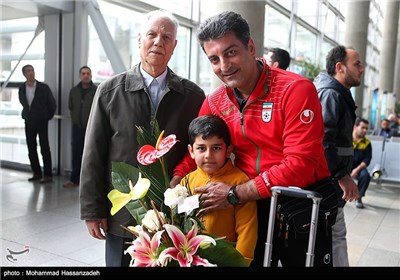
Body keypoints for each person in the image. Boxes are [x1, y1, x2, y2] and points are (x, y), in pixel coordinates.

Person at [172, 11, 336, 267]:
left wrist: (237, 193)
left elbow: (301, 163)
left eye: (231, 52)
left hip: (299, 206)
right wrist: (175, 184)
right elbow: (195, 149)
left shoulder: (295, 89)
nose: (224, 66)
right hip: (250, 204)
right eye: (214, 59)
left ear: (250, 47)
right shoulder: (214, 101)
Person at [79, 10, 205, 267]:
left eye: (166, 37)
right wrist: (93, 211)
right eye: (152, 34)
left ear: (174, 46)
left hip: (172, 216)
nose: (158, 41)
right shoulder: (110, 91)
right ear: (139, 40)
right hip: (123, 214)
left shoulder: (192, 96)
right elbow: (93, 153)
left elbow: (198, 154)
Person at [182, 114, 257, 266]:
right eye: (201, 148)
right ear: (191, 151)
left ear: (228, 150)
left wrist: (241, 262)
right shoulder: (187, 181)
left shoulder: (239, 182)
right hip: (190, 258)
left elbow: (247, 229)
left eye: (216, 148)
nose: (209, 155)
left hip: (225, 259)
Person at [314, 45, 363, 266]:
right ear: (339, 67)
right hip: (330, 182)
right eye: (357, 63)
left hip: (330, 181)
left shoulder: (335, 93)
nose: (362, 69)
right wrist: (343, 176)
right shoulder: (331, 94)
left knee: (333, 235)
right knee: (335, 236)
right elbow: (324, 141)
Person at [18, 64, 57, 184]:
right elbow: (23, 102)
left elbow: (52, 104)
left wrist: (47, 116)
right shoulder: (22, 88)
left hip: (41, 121)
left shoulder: (43, 87)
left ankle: (48, 175)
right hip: (29, 121)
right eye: (28, 71)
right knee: (31, 147)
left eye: (32, 70)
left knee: (45, 147)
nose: (31, 73)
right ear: (24, 74)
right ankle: (36, 173)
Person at [63, 66, 97, 189]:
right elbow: (70, 106)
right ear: (80, 76)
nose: (86, 75)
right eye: (83, 73)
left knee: (92, 155)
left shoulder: (96, 90)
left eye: (88, 73)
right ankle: (74, 179)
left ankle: (90, 182)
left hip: (92, 128)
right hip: (77, 128)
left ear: (91, 75)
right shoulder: (74, 91)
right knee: (76, 154)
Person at [351, 118, 372, 209]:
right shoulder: (346, 139)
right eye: (363, 127)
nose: (365, 130)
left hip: (358, 167)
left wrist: (357, 169)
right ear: (355, 127)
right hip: (344, 166)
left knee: (365, 175)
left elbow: (367, 159)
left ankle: (358, 197)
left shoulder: (367, 143)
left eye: (366, 128)